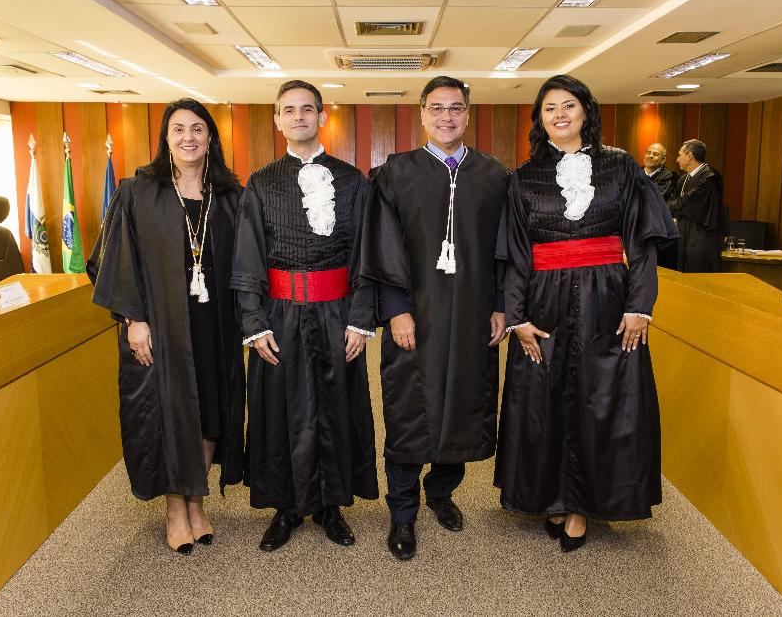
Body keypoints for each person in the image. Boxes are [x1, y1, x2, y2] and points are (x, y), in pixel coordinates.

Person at [495, 74, 677, 553]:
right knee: (545, 399)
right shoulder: (523, 176)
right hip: (544, 300)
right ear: (539, 119)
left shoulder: (621, 166)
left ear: (586, 111)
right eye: (549, 108)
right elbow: (515, 255)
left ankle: (581, 506)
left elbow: (642, 245)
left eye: (569, 105)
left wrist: (640, 306)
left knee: (603, 399)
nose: (560, 115)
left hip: (608, 298)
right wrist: (517, 317)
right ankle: (552, 496)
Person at [360, 75, 509, 561]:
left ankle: (441, 493)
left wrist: (500, 305)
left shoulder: (493, 175)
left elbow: (505, 249)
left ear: (468, 114)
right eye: (437, 108)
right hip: (415, 315)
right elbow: (382, 246)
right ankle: (402, 513)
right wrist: (396, 310)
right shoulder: (395, 174)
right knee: (409, 411)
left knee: (463, 405)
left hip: (472, 314)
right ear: (422, 114)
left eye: (456, 108)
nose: (447, 116)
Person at [88, 98, 245, 555]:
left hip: (215, 323)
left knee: (212, 410)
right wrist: (134, 319)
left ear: (210, 137)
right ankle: (177, 510)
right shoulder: (138, 192)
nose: (188, 137)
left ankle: (197, 502)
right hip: (162, 321)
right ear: (166, 138)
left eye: (197, 128)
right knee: (171, 414)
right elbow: (117, 260)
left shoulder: (230, 194)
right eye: (178, 129)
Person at [231, 80, 378, 553]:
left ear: (321, 116)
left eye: (307, 109)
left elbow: (366, 254)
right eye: (289, 110)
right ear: (277, 120)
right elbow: (248, 256)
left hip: (338, 313)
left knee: (336, 408)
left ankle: (332, 505)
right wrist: (254, 323)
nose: (299, 116)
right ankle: (286, 507)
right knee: (281, 410)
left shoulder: (352, 180)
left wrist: (360, 319)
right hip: (279, 315)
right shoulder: (261, 182)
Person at [669, 139, 723, 272]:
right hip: (683, 233)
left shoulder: (709, 177)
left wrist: (667, 207)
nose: (677, 159)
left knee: (697, 273)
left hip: (701, 235)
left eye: (680, 155)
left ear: (689, 156)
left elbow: (688, 202)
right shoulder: (683, 179)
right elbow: (674, 201)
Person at [645, 142, 678, 268]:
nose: (651, 156)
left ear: (663, 160)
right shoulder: (635, 172)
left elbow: (655, 198)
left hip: (659, 232)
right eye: (648, 152)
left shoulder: (669, 176)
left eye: (655, 154)